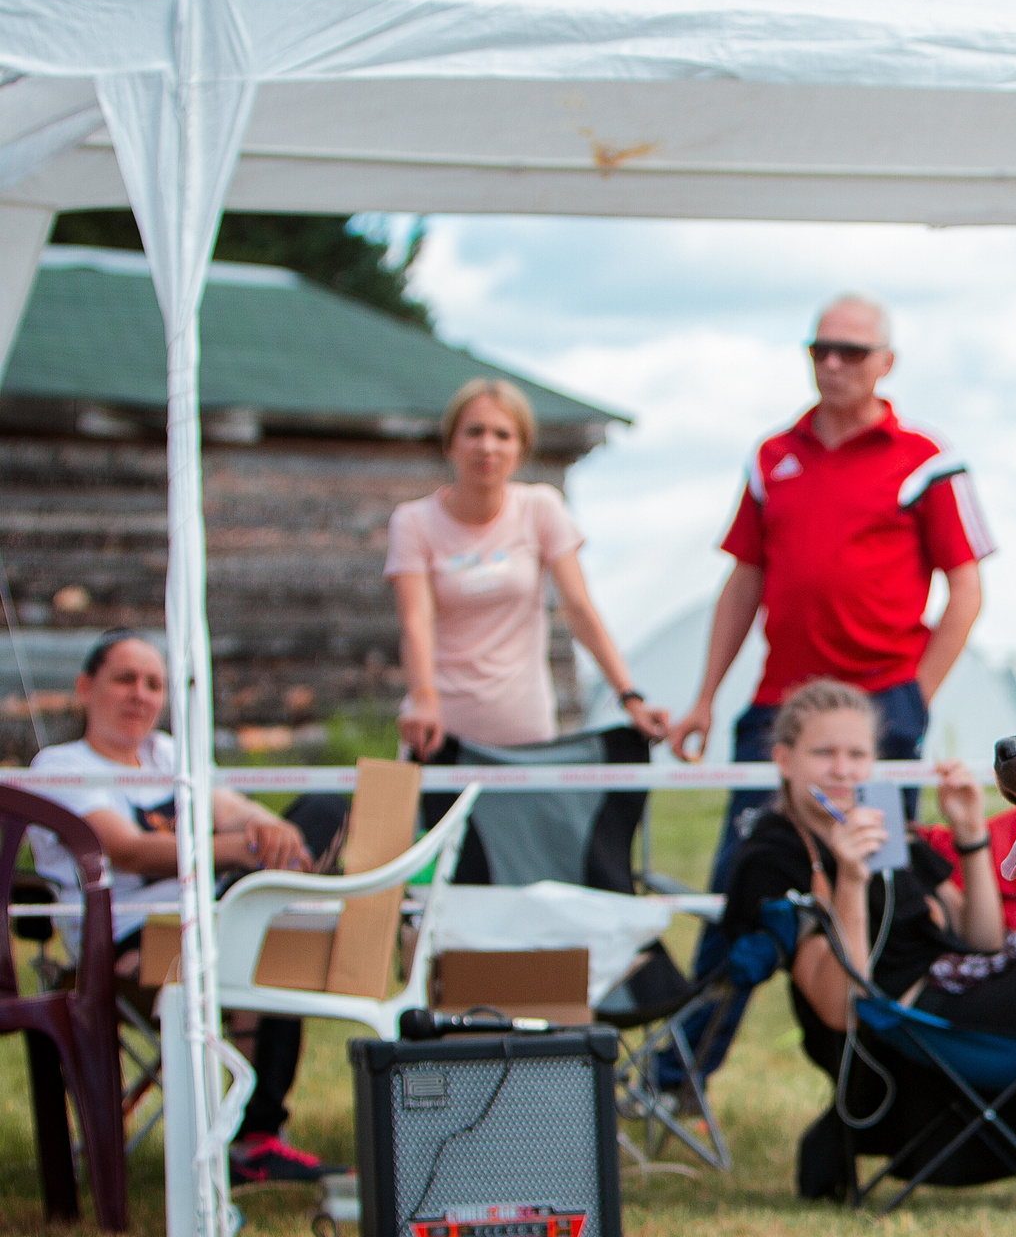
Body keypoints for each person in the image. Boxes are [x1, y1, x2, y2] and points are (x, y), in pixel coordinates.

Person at [706, 679, 1016, 1199]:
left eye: (858, 754)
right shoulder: (775, 853)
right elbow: (839, 1008)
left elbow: (983, 941)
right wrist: (850, 879)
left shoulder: (883, 825)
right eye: (824, 753)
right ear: (784, 760)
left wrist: (970, 835)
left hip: (980, 985)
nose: (843, 770)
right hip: (927, 1020)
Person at [668, 294, 995, 890]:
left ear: (886, 362)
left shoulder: (928, 459)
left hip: (882, 701)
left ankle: (869, 959)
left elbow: (967, 588)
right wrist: (704, 697)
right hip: (780, 702)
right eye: (821, 350)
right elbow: (744, 579)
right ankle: (735, 959)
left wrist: (915, 695)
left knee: (879, 879)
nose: (834, 364)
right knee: (748, 876)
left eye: (852, 351)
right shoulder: (772, 455)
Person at [25, 629, 335, 1183]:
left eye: (153, 684)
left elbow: (234, 808)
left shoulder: (165, 753)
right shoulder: (60, 765)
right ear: (85, 688)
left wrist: (270, 828)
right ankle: (253, 1136)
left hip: (209, 917)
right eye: (125, 679)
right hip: (127, 938)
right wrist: (236, 849)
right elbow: (127, 850)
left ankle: (256, 1135)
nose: (140, 695)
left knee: (321, 815)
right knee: (263, 933)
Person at [386, 378, 668, 756]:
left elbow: (579, 608)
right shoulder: (413, 521)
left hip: (526, 732)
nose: (487, 446)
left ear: (520, 449)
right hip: (440, 733)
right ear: (451, 442)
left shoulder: (540, 508)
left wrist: (629, 696)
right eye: (474, 432)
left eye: (503, 435)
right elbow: (415, 621)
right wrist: (423, 699)